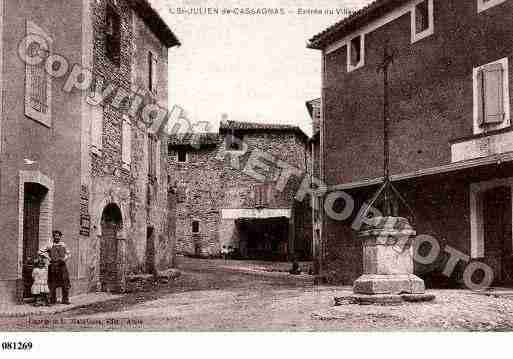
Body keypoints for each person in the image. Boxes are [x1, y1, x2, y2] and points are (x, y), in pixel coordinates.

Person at [42, 230, 71, 304]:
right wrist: (49, 258)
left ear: (60, 237)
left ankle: (65, 299)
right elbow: (41, 251)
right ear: (53, 237)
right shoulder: (50, 245)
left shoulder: (63, 245)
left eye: (58, 236)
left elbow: (69, 254)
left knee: (65, 282)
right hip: (53, 266)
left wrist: (64, 259)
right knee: (53, 283)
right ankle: (52, 299)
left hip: (62, 266)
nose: (57, 237)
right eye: (55, 236)